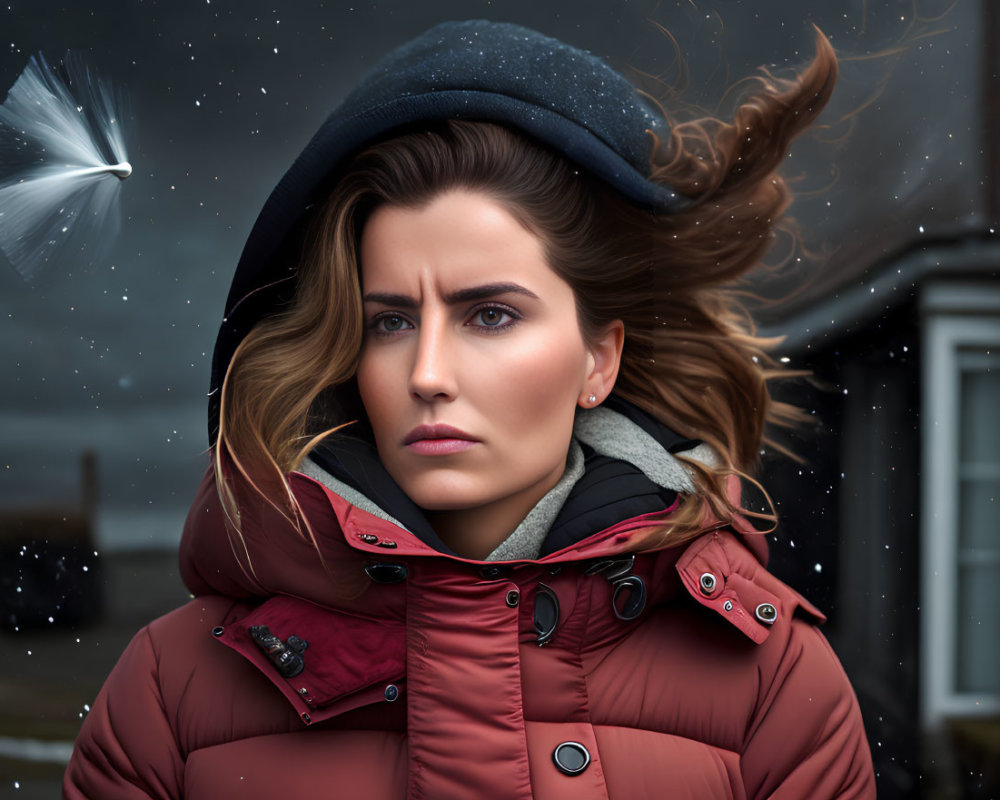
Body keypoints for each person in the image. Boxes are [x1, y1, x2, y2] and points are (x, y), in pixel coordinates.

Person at [64, 19, 876, 799]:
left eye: (490, 314)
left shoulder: (775, 689)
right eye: (391, 321)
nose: (426, 373)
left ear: (599, 360)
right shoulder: (170, 691)